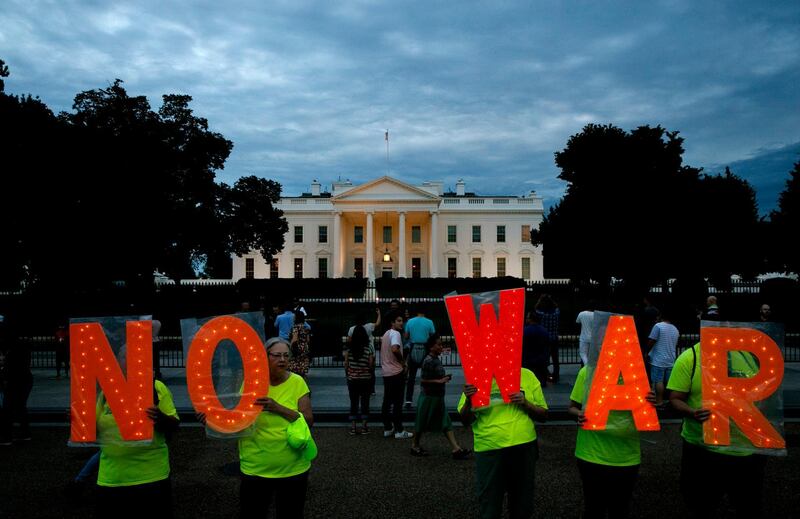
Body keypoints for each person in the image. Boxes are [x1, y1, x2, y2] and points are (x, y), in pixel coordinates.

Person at [200, 337, 314, 518]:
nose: (283, 360)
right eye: (276, 355)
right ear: (264, 357)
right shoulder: (250, 383)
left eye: (286, 355)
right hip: (255, 468)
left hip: (293, 468)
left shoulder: (297, 382)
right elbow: (238, 420)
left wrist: (278, 408)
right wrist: (214, 422)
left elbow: (308, 419)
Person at [668, 342, 766, 517]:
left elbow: (762, 393)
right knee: (700, 504)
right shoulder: (690, 357)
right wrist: (692, 413)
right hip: (702, 449)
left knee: (748, 505)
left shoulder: (747, 355)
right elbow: (675, 398)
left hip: (745, 450)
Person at [94, 345, 180, 518]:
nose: (131, 361)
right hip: (111, 478)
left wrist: (160, 418)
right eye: (125, 357)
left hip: (151, 477)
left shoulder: (156, 387)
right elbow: (94, 431)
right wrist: (78, 420)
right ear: (117, 361)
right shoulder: (106, 392)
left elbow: (174, 425)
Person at [458, 368, 548, 519]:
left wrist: (525, 403)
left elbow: (544, 415)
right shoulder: (477, 378)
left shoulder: (527, 375)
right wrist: (469, 400)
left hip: (523, 445)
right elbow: (465, 421)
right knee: (490, 504)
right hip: (489, 448)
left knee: (522, 504)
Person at [568, 366, 657, 519]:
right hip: (592, 455)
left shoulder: (637, 374)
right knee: (594, 509)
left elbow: (646, 410)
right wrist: (579, 414)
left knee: (620, 509)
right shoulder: (588, 372)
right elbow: (572, 408)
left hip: (626, 458)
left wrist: (651, 403)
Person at [410, 334, 470, 459]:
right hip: (429, 397)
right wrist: (439, 381)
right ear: (432, 347)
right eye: (439, 344)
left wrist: (443, 378)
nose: (441, 346)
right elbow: (423, 380)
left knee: (445, 422)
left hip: (436, 397)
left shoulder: (435, 359)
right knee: (422, 421)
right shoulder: (428, 361)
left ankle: (456, 449)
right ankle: (415, 445)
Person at [380, 312, 413, 439]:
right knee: (398, 402)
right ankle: (399, 430)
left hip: (386, 372)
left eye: (401, 321)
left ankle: (388, 428)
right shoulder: (396, 334)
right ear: (392, 323)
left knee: (387, 401)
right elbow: (395, 349)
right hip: (396, 372)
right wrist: (403, 362)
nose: (401, 323)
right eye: (398, 320)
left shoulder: (385, 334)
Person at [344, 324, 374, 435]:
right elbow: (370, 364)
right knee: (365, 402)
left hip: (352, 379)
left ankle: (353, 427)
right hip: (365, 378)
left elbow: (346, 364)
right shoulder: (369, 347)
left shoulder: (349, 348)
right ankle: (364, 426)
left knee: (354, 402)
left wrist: (348, 373)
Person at [403, 307, 436, 409]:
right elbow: (433, 336)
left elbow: (406, 336)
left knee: (411, 377)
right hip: (425, 348)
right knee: (427, 375)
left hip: (413, 347)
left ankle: (408, 400)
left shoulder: (410, 322)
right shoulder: (429, 322)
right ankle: (427, 398)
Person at [647, 310, 679, 407]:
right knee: (669, 383)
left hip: (658, 359)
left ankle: (659, 402)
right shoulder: (675, 329)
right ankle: (671, 401)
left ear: (661, 316)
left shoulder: (658, 326)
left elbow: (652, 340)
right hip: (670, 359)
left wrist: (646, 351)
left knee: (658, 381)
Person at [535, 294, 560, 383]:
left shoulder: (541, 314)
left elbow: (536, 308)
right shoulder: (556, 313)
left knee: (544, 358)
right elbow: (557, 307)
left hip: (544, 339)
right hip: (554, 338)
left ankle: (545, 375)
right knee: (555, 358)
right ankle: (556, 376)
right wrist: (551, 300)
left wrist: (540, 300)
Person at [521, 312, 550, 387]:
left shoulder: (525, 331)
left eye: (527, 318)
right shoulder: (544, 331)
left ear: (530, 319)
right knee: (541, 381)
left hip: (528, 360)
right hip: (541, 360)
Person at [288, 311, 311, 378]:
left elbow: (295, 339)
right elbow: (308, 339)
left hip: (297, 348)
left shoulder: (295, 327)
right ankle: (302, 375)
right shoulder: (305, 327)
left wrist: (290, 345)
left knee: (295, 363)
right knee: (302, 362)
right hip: (305, 347)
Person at [575, 302, 595, 366]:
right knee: (591, 355)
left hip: (584, 337)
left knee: (583, 353)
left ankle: (586, 367)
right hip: (593, 338)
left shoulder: (582, 313)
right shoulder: (595, 314)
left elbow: (577, 321)